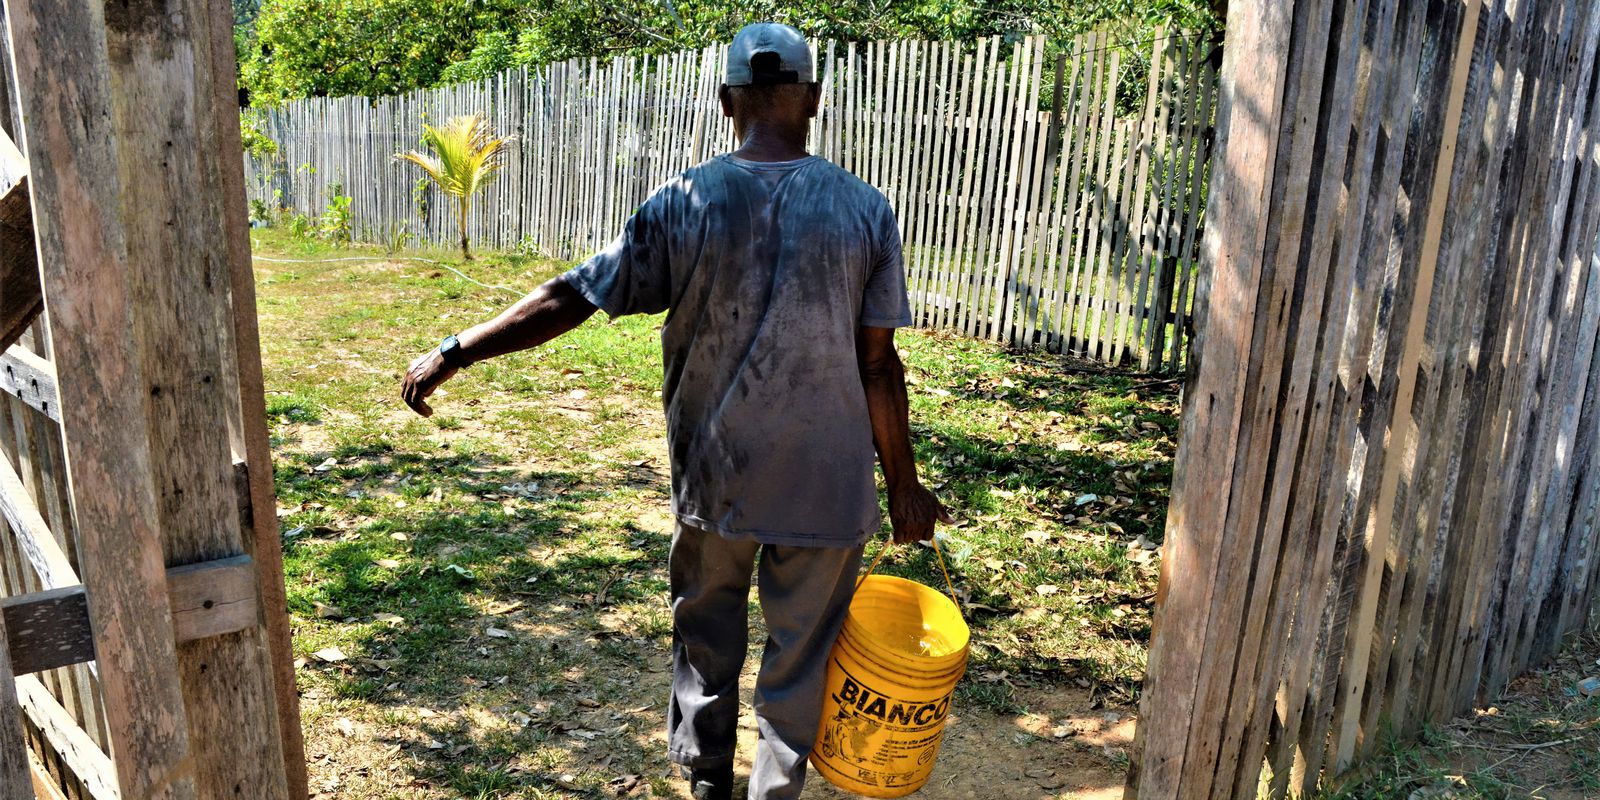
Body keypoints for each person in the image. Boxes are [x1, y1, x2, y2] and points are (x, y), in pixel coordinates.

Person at [400, 22, 950, 800]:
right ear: (815, 100)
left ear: (727, 100)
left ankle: (704, 785)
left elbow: (573, 296)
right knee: (802, 660)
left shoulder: (684, 202)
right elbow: (878, 364)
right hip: (827, 490)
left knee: (706, 638)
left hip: (717, 483)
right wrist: (902, 483)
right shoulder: (865, 211)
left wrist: (455, 350)